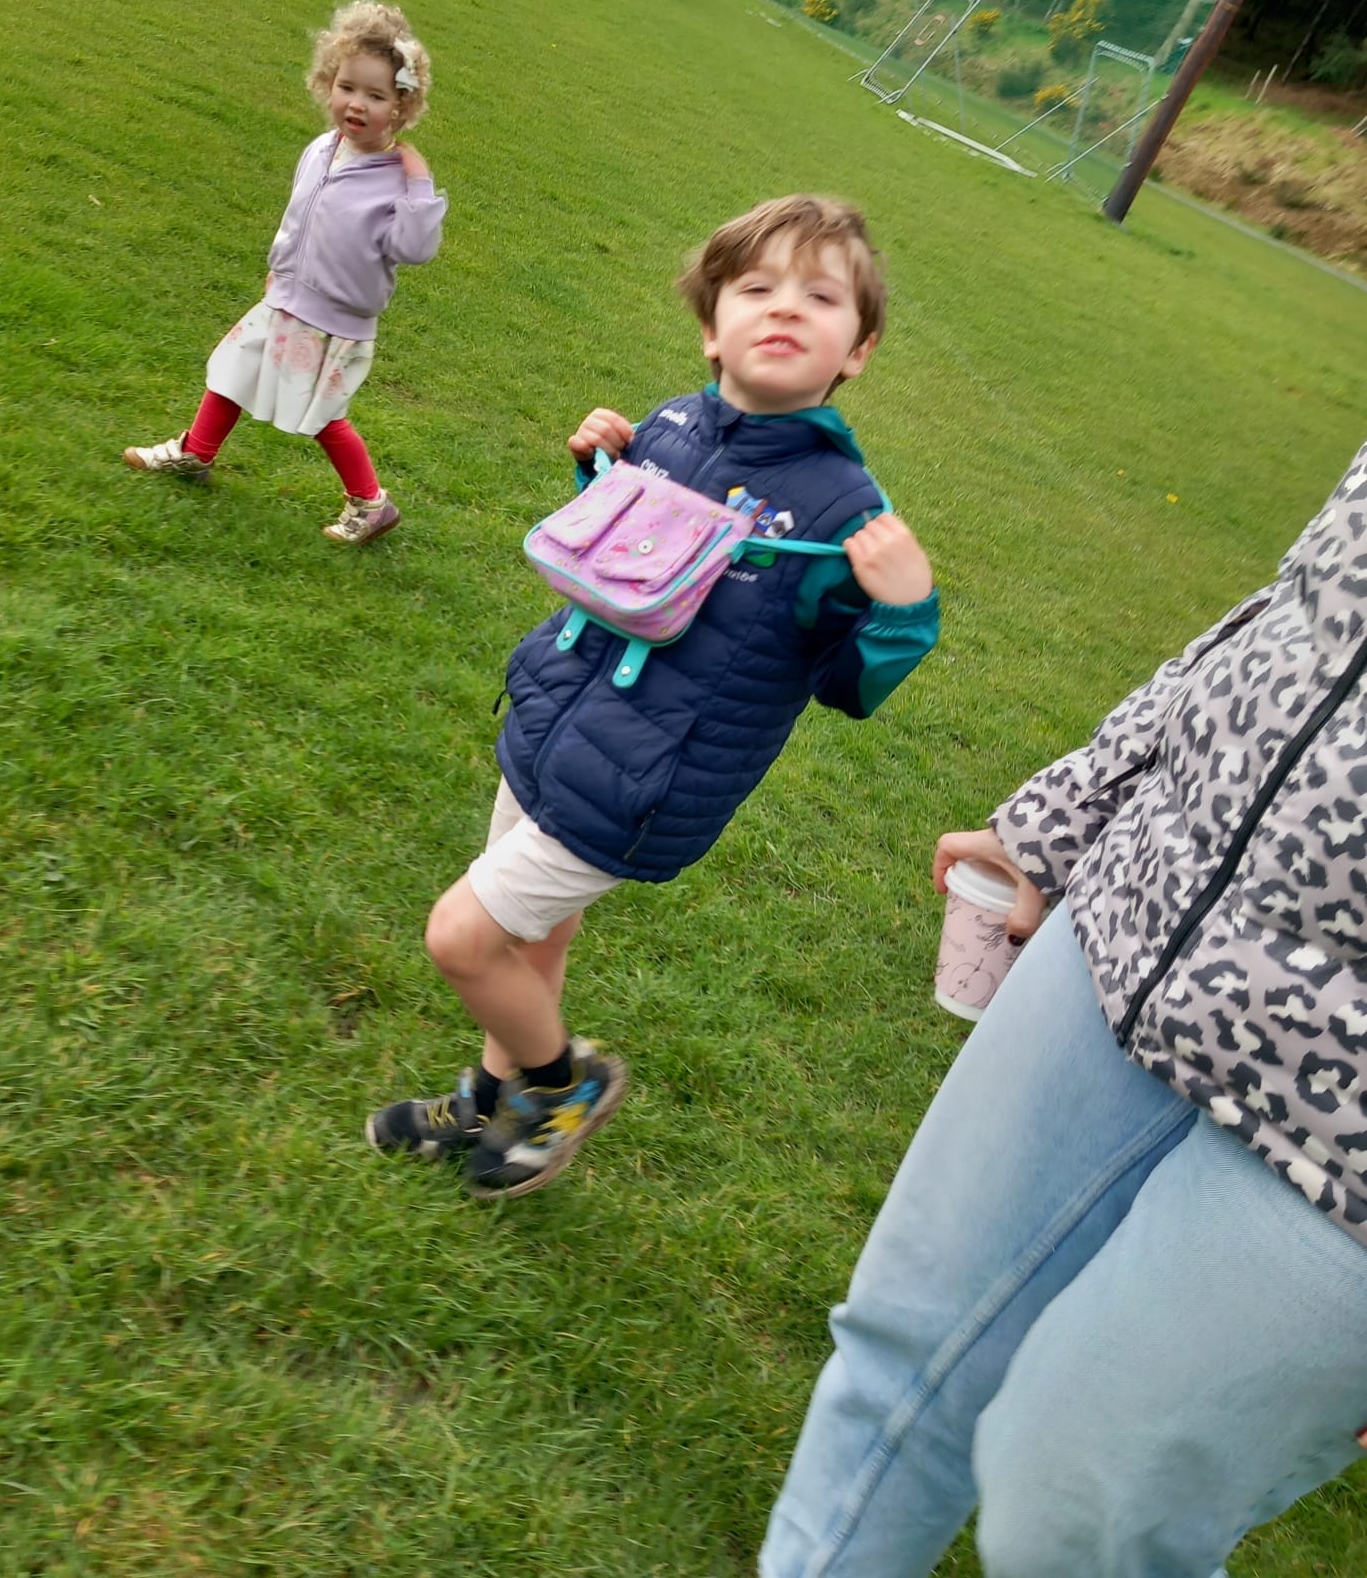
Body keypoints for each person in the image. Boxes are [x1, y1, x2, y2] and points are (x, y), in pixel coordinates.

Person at [761, 439, 1367, 1578]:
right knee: (904, 1353)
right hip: (1139, 907)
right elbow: (1302, 609)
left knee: (1076, 1522)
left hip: (1345, 1140)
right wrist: (1073, 808)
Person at [367, 196, 940, 1198]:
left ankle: (563, 1087)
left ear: (859, 349)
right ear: (712, 327)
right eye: (756, 288)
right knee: (529, 945)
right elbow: (621, 563)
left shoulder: (845, 511)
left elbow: (847, 684)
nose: (785, 307)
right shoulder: (673, 423)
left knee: (462, 937)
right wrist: (599, 470)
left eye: (820, 297)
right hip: (555, 722)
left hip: (645, 775)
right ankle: (488, 1103)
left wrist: (904, 608)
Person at [122, 0, 445, 546]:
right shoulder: (322, 149)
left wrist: (418, 184)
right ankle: (196, 454)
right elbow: (300, 217)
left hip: (335, 322)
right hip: (287, 299)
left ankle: (371, 502)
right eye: (346, 86)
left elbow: (414, 249)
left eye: (375, 95)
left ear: (401, 106)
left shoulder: (395, 180)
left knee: (321, 415)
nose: (357, 103)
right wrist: (281, 271)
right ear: (327, 82)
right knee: (232, 372)